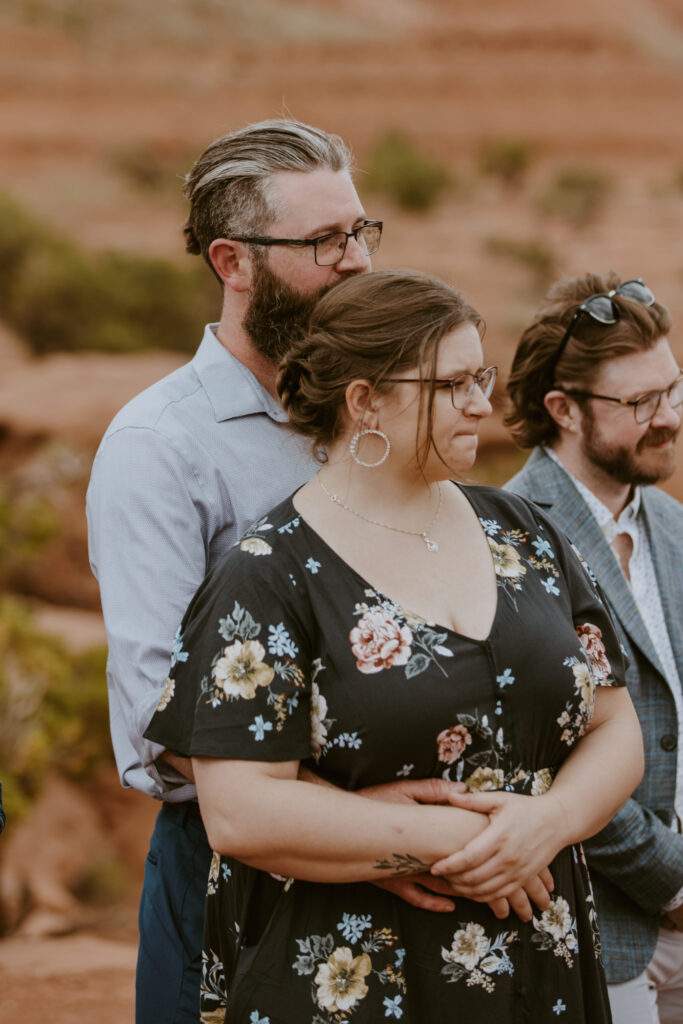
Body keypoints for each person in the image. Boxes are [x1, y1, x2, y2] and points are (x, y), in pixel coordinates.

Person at [145, 268, 643, 1023]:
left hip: (541, 959)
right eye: (451, 385)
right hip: (351, 975)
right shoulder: (267, 574)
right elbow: (240, 811)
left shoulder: (524, 530)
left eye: (482, 375)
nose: (483, 402)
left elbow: (615, 727)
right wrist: (458, 843)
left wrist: (550, 822)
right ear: (363, 401)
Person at [87, 118, 459, 1024]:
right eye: (324, 240)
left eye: (361, 232)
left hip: (415, 857)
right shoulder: (159, 448)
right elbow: (155, 714)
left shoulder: (369, 413)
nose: (356, 261)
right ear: (233, 261)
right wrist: (357, 824)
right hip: (234, 872)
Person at [504, 271, 683, 1024]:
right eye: (639, 403)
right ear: (562, 409)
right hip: (594, 925)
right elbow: (544, 753)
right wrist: (671, 884)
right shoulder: (508, 536)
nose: (668, 418)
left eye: (673, 390)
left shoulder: (674, 526)